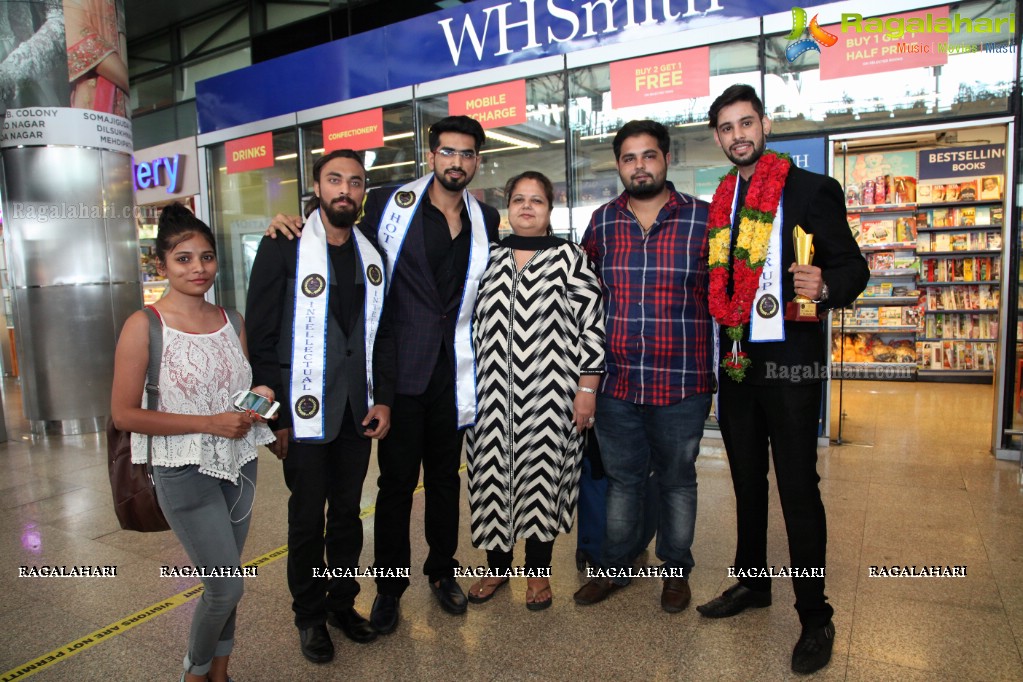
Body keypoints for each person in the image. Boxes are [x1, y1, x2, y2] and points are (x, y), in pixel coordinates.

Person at [265, 115, 500, 632]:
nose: (456, 162)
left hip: (457, 372)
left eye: (467, 154)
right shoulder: (395, 204)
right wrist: (293, 223)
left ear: (476, 161)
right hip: (399, 373)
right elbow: (337, 227)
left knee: (444, 480)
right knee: (395, 486)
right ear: (431, 156)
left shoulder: (488, 218)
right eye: (447, 152)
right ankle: (390, 587)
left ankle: (442, 571)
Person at [695, 84, 869, 675]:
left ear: (764, 125)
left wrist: (826, 285)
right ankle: (752, 584)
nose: (737, 135)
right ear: (717, 137)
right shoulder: (721, 200)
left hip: (792, 363)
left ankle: (815, 616)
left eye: (746, 123)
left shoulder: (810, 189)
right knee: (745, 479)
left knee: (797, 487)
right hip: (739, 364)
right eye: (725, 127)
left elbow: (853, 265)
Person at [111, 203, 274, 682]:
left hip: (239, 463)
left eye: (206, 257)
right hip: (182, 469)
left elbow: (232, 393)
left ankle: (220, 673)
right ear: (162, 265)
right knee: (226, 588)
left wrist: (256, 399)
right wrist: (208, 423)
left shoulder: (232, 320)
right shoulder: (144, 326)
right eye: (183, 259)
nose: (198, 268)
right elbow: (125, 414)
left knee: (229, 581)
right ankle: (195, 673)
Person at [245, 149, 395, 664]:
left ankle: (340, 603)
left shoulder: (371, 252)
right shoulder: (283, 246)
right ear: (315, 186)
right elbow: (261, 337)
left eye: (355, 183)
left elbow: (383, 337)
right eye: (335, 180)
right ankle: (308, 616)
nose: (345, 191)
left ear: (363, 192)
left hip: (357, 408)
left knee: (349, 516)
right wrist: (275, 418)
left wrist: (386, 399)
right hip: (302, 409)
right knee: (307, 518)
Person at [573, 120, 714, 614]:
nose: (640, 166)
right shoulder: (602, 223)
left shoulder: (706, 220)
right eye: (629, 158)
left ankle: (676, 573)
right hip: (616, 382)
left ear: (667, 159)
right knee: (624, 480)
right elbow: (582, 296)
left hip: (682, 381)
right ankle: (615, 567)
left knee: (677, 481)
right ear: (619, 165)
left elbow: (729, 295)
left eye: (649, 156)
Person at [465, 171, 604, 610]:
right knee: (491, 483)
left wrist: (587, 389)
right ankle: (496, 567)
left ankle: (538, 574)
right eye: (519, 199)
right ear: (508, 206)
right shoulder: (485, 258)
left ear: (550, 208)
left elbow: (593, 328)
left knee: (543, 485)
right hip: (488, 399)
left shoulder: (571, 259)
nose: (527, 207)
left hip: (551, 399)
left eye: (537, 200)